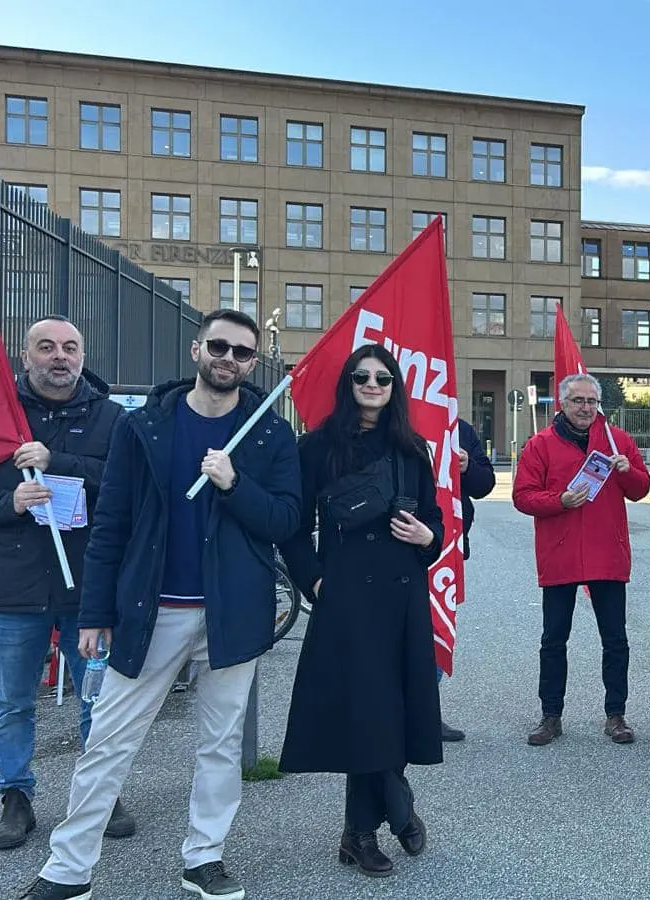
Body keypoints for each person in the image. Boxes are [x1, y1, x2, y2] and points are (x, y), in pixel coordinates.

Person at [19, 309, 301, 900]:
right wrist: (95, 613)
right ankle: (69, 869)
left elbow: (285, 521)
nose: (228, 359)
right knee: (110, 740)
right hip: (152, 610)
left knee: (220, 744)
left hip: (232, 613)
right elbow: (112, 523)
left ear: (253, 364)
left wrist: (234, 483)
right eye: (218, 346)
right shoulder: (145, 425)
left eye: (242, 353)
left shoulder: (269, 434)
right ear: (197, 349)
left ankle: (204, 858)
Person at [0, 316, 135, 850]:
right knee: (12, 701)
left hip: (90, 587)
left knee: (99, 700)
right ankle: (14, 797)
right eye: (47, 347)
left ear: (82, 355)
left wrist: (60, 462)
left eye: (70, 347)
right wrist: (7, 503)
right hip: (14, 586)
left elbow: (128, 482)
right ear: (24, 356)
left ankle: (101, 790)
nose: (60, 356)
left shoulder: (110, 418)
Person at [277, 345, 446, 878]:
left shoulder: (412, 447)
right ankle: (380, 817)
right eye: (362, 377)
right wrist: (316, 582)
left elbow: (435, 521)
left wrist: (428, 537)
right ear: (348, 383)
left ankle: (364, 827)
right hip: (348, 597)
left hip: (402, 595)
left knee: (389, 708)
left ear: (395, 386)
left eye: (383, 377)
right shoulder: (318, 447)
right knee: (368, 711)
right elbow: (293, 528)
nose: (372, 384)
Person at [511, 374, 650, 746]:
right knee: (554, 640)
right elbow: (523, 496)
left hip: (607, 553)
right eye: (578, 401)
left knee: (615, 640)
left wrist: (628, 470)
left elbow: (641, 491)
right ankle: (551, 715)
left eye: (592, 401)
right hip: (561, 553)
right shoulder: (540, 444)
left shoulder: (615, 440)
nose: (586, 408)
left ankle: (616, 715)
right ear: (563, 403)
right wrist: (560, 501)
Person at [438, 416, 496, 743]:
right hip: (396, 545)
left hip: (449, 547)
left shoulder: (459, 429)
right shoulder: (393, 420)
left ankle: (426, 710)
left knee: (438, 627)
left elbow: (484, 484)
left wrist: (467, 466)